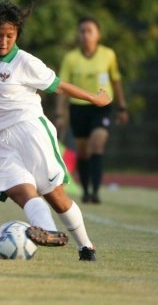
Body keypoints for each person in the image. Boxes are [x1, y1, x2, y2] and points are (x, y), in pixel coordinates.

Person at [0, 0, 111, 261]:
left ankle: (86, 247)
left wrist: (94, 98)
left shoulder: (25, 62)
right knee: (19, 190)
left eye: (10, 36)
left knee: (55, 196)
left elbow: (59, 86)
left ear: (17, 36)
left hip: (30, 131)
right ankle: (47, 231)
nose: (3, 41)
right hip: (1, 139)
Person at [55, 17, 129, 204]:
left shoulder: (108, 55)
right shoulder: (71, 58)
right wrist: (60, 113)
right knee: (82, 152)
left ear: (98, 34)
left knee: (96, 144)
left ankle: (95, 192)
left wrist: (122, 107)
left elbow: (116, 80)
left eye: (90, 31)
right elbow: (62, 87)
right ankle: (86, 191)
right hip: (78, 108)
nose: (86, 35)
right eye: (82, 31)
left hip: (101, 107)